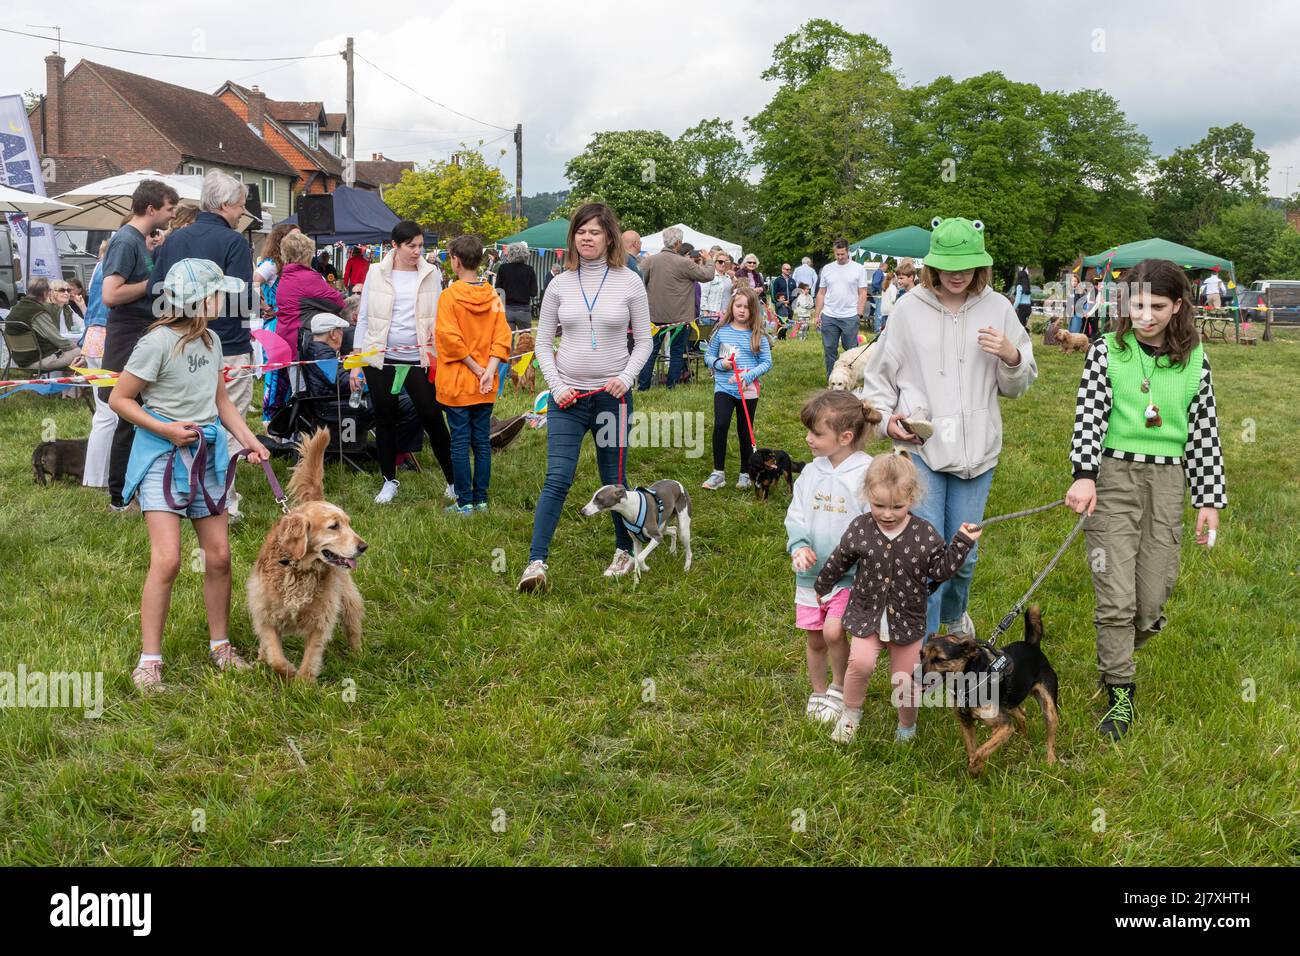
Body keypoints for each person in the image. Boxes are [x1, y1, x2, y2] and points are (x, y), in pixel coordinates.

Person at [1066, 258, 1225, 741]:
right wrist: (1084, 475)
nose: (1145, 315)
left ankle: (1118, 652)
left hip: (1168, 481)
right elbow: (1088, 416)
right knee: (1116, 598)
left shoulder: (1195, 359)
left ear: (1178, 306)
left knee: (1151, 602)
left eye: (1157, 306)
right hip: (1112, 477)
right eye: (1136, 304)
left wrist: (1209, 500)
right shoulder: (1106, 351)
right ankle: (1119, 691)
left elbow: (1204, 433)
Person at [860, 217, 1037, 641]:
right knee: (927, 554)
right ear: (931, 265)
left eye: (967, 265)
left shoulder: (998, 308)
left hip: (978, 455)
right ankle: (925, 645)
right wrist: (888, 422)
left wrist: (1012, 357)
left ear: (981, 266)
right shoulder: (907, 309)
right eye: (947, 265)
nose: (957, 274)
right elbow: (878, 380)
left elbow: (1018, 385)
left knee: (965, 556)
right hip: (921, 452)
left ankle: (956, 614)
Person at [107, 258, 269, 693]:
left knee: (219, 556)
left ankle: (220, 646)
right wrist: (164, 429)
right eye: (218, 293)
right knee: (169, 560)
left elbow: (222, 402)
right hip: (162, 456)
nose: (223, 300)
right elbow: (120, 399)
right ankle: (150, 659)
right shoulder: (155, 343)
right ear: (199, 300)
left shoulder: (213, 340)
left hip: (207, 455)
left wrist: (249, 441)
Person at [517, 202, 652, 593]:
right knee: (557, 478)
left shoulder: (629, 281)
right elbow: (543, 343)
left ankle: (624, 551)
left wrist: (627, 377)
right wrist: (557, 386)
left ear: (610, 237)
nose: (587, 237)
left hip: (613, 399)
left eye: (595, 231)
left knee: (614, 480)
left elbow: (643, 341)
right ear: (573, 238)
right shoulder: (559, 283)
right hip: (568, 400)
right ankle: (536, 562)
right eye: (581, 231)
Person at [813, 452, 982, 743]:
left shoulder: (924, 534)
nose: (887, 514)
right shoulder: (861, 528)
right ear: (866, 495)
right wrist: (822, 586)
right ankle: (851, 714)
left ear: (913, 499)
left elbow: (941, 569)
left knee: (905, 681)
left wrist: (962, 542)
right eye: (878, 505)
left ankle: (907, 726)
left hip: (907, 620)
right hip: (867, 615)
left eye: (897, 507)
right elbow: (840, 559)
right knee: (861, 664)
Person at [147, 172, 258, 521]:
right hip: (228, 344)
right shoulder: (235, 242)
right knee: (229, 423)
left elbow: (157, 289)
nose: (242, 212)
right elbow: (242, 298)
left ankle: (181, 493)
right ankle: (223, 502)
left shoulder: (175, 239)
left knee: (186, 420)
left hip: (179, 341)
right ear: (225, 205)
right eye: (241, 206)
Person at [786, 390, 880, 726]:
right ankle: (818, 690)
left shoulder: (868, 473)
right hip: (810, 575)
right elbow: (795, 515)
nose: (808, 439)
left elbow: (876, 522)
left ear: (845, 437)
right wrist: (798, 545)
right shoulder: (811, 473)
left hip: (848, 576)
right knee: (815, 637)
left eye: (816, 433)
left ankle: (840, 688)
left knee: (834, 631)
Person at [349, 220, 456, 504]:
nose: (417, 251)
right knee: (386, 418)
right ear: (394, 246)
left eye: (420, 245)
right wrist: (357, 361)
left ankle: (453, 481)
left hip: (419, 358)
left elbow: (440, 313)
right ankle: (388, 481)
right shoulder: (375, 272)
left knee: (432, 417)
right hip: (381, 358)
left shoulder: (432, 273)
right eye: (411, 246)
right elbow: (365, 318)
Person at [102, 179, 180, 511]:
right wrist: (152, 282)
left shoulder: (138, 240)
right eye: (169, 209)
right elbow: (110, 295)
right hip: (126, 336)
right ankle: (119, 497)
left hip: (140, 333)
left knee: (141, 415)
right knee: (127, 415)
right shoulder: (125, 241)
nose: (172, 215)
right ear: (151, 209)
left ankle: (135, 489)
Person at [436, 235, 513, 514]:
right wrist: (489, 370)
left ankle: (465, 501)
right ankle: (480, 499)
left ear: (455, 262)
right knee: (481, 440)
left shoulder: (449, 296)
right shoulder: (492, 294)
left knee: (459, 443)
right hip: (485, 383)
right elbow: (502, 336)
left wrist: (477, 367)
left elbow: (448, 338)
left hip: (458, 381)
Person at [701, 285, 772, 490]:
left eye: (747, 307)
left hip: (748, 391)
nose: (742, 310)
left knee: (744, 431)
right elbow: (708, 355)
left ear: (753, 311)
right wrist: (719, 364)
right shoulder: (721, 332)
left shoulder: (757, 334)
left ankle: (745, 472)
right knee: (721, 425)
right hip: (723, 387)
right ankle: (718, 473)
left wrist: (748, 376)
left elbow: (766, 362)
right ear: (732, 306)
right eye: (738, 306)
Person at [639, 226, 716, 391]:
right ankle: (671, 386)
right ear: (679, 243)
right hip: (680, 317)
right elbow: (708, 275)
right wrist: (709, 259)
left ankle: (643, 386)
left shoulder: (650, 261)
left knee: (650, 352)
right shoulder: (685, 263)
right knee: (676, 352)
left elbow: (639, 282)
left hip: (655, 315)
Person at [252, 222, 300, 420]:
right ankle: (269, 420)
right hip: (276, 325)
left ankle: (287, 418)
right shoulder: (272, 264)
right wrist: (263, 306)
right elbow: (252, 282)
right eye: (294, 236)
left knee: (290, 376)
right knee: (275, 376)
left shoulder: (295, 263)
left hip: (292, 323)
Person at [83, 240, 116, 487]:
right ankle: (101, 477)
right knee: (111, 412)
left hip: (93, 337)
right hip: (108, 338)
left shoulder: (97, 267)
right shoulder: (115, 266)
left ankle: (94, 476)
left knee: (103, 413)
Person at [814, 239, 868, 377]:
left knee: (851, 351)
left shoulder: (858, 269)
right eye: (837, 254)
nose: (839, 257)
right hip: (829, 315)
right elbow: (821, 293)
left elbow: (862, 293)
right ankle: (832, 380)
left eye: (842, 254)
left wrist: (859, 314)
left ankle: (850, 379)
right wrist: (817, 314)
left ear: (848, 251)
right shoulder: (827, 269)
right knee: (829, 350)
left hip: (850, 316)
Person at [4, 278, 82, 370]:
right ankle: (82, 382)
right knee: (84, 353)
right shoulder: (37, 312)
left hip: (20, 360)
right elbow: (59, 340)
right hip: (40, 360)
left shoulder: (16, 308)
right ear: (46, 293)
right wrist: (79, 347)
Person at [495, 242, 538, 333]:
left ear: (509, 254)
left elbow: (498, 290)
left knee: (507, 342)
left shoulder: (503, 268)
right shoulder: (529, 270)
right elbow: (534, 293)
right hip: (524, 310)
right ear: (525, 255)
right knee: (526, 342)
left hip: (507, 310)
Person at [698, 252, 732, 332]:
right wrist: (705, 312)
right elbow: (703, 295)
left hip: (724, 316)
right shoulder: (710, 276)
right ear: (715, 262)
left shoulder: (729, 279)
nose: (723, 264)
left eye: (725, 262)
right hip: (710, 316)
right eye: (720, 261)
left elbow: (729, 298)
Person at [878, 260, 916, 331]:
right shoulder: (902, 295)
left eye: (901, 278)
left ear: (911, 278)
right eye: (898, 278)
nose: (899, 281)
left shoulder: (916, 295)